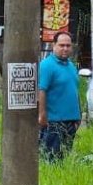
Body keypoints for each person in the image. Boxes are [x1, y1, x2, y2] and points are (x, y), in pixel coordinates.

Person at [38, 31, 81, 161]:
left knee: (65, 158)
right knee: (52, 160)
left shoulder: (71, 66)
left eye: (68, 45)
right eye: (61, 45)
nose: (65, 48)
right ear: (53, 46)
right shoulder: (47, 65)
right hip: (54, 122)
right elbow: (41, 90)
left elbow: (74, 90)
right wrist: (42, 115)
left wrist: (78, 115)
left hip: (71, 122)